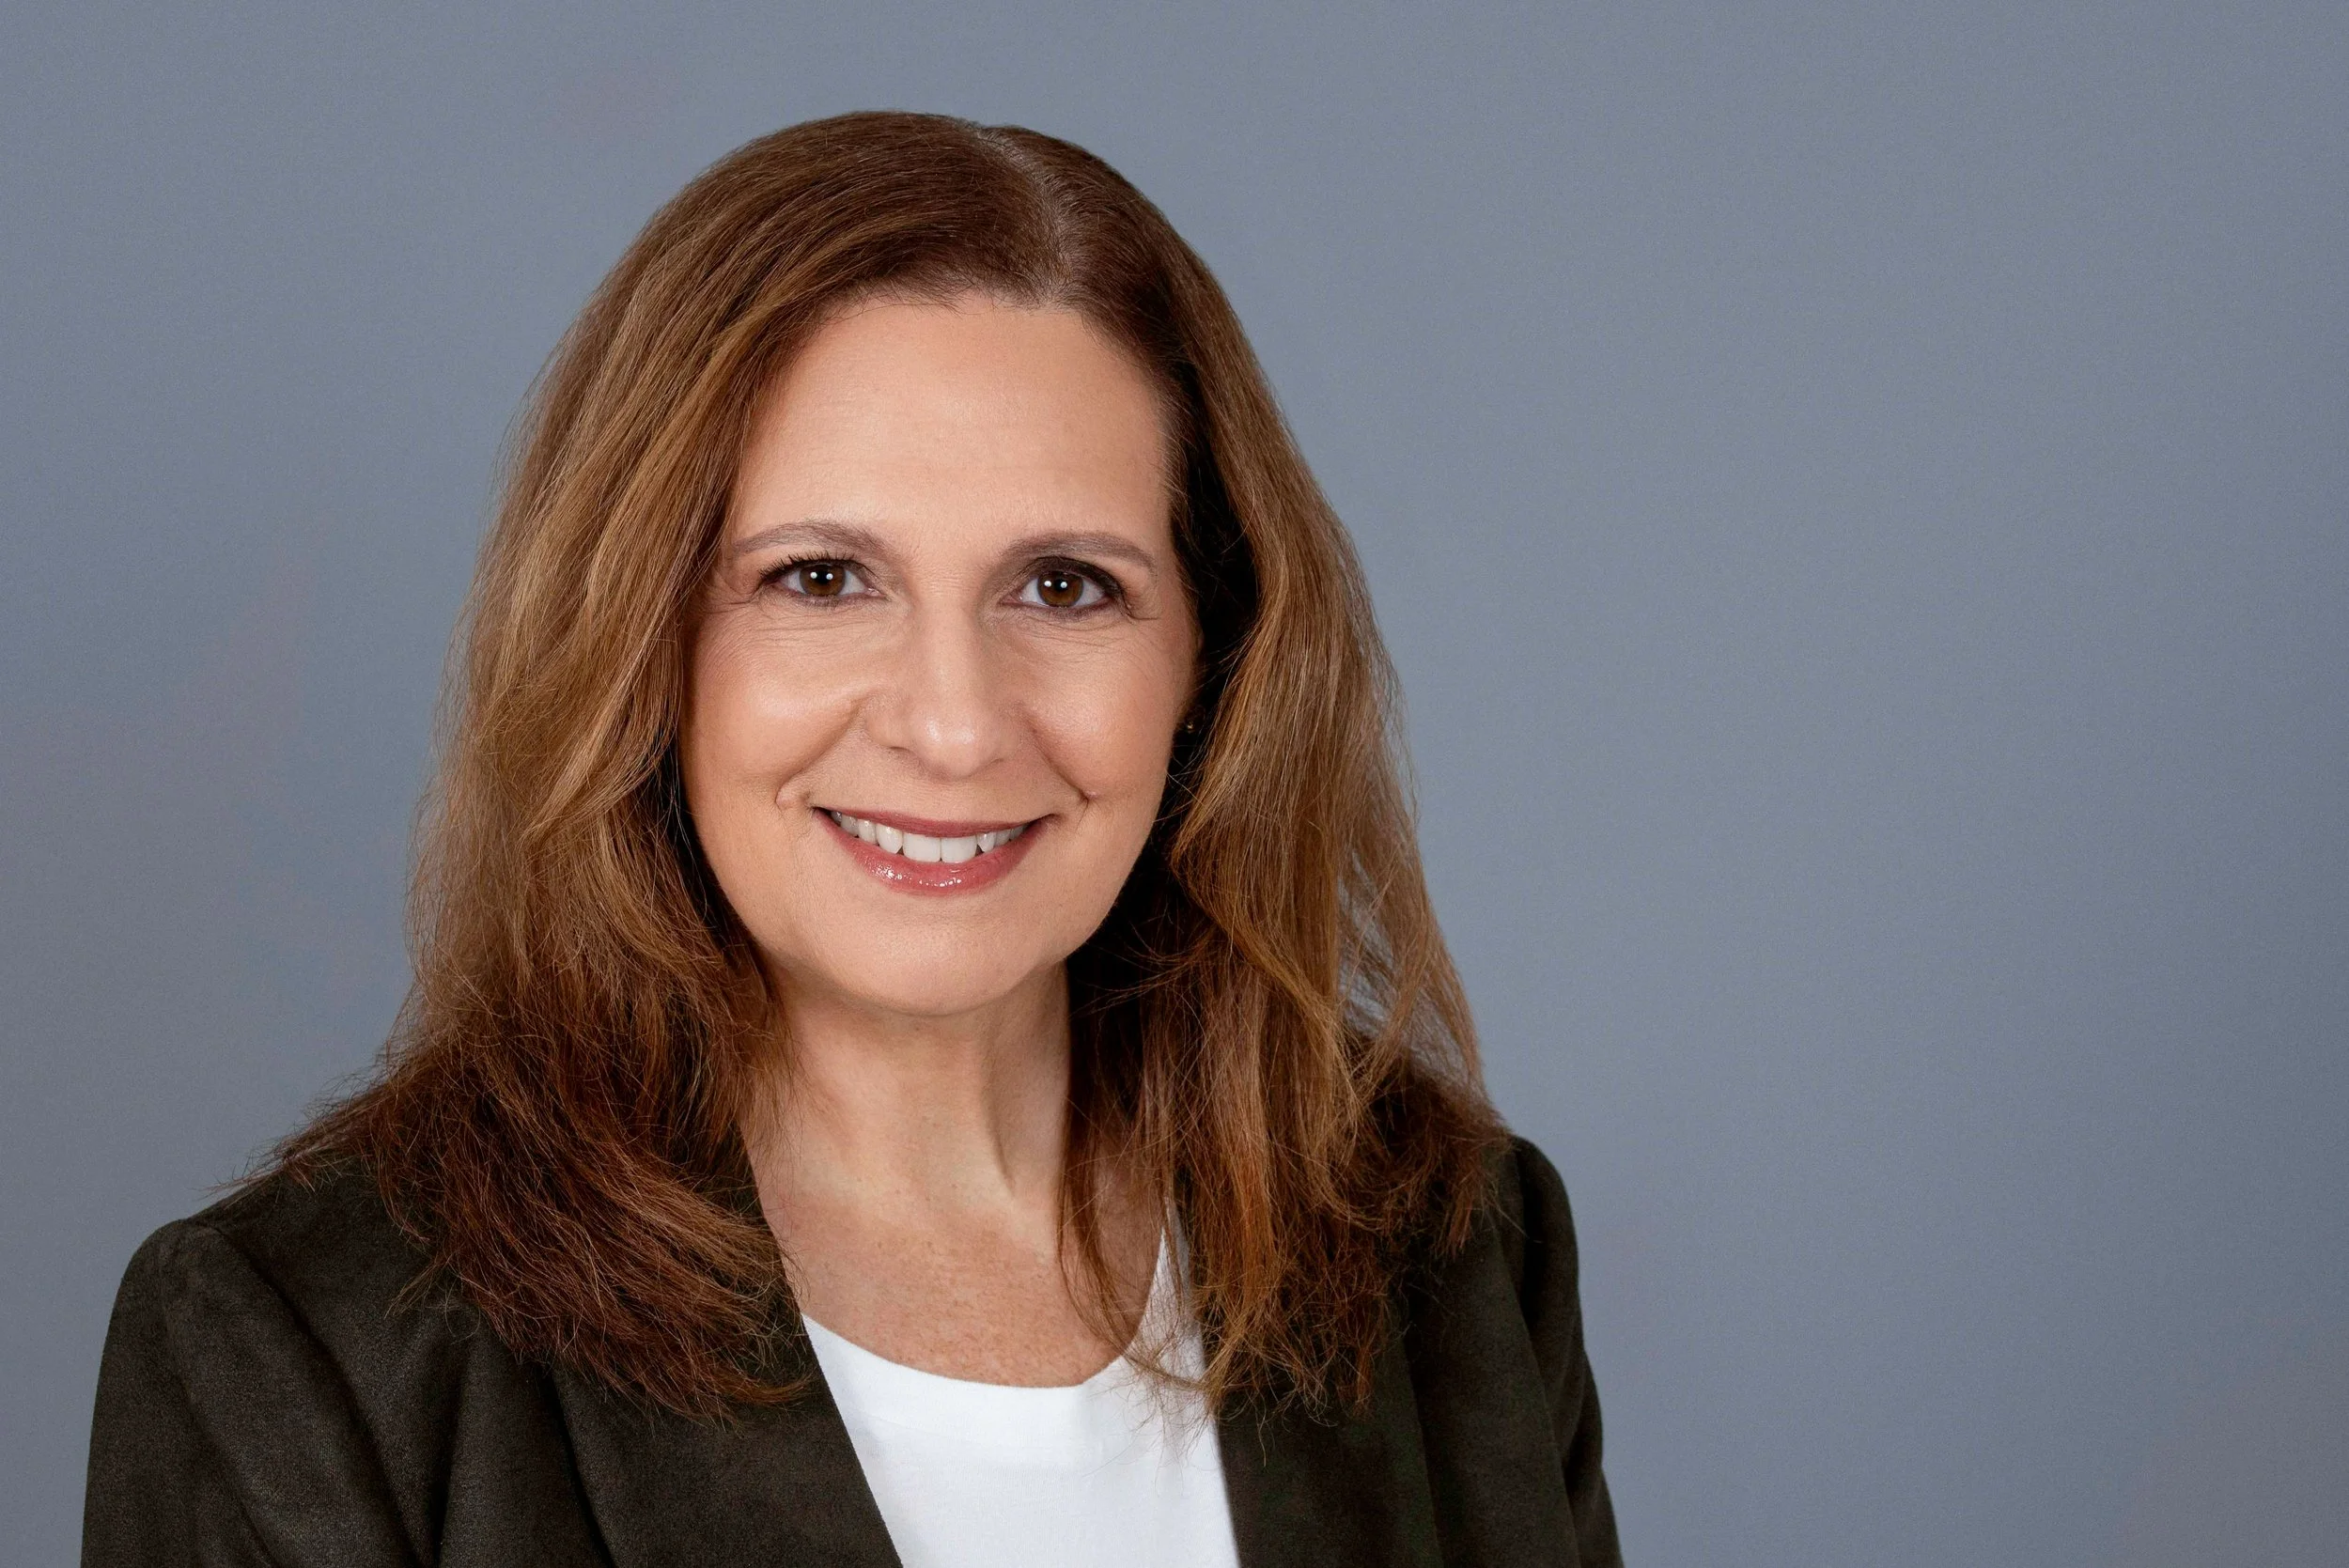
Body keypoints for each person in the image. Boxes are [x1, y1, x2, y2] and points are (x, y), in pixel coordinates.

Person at [82, 111, 1621, 1568]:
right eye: (821, 580)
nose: (954, 726)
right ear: (640, 646)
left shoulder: (1458, 1254)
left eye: (1066, 586)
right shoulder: (308, 1351)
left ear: (1212, 661)